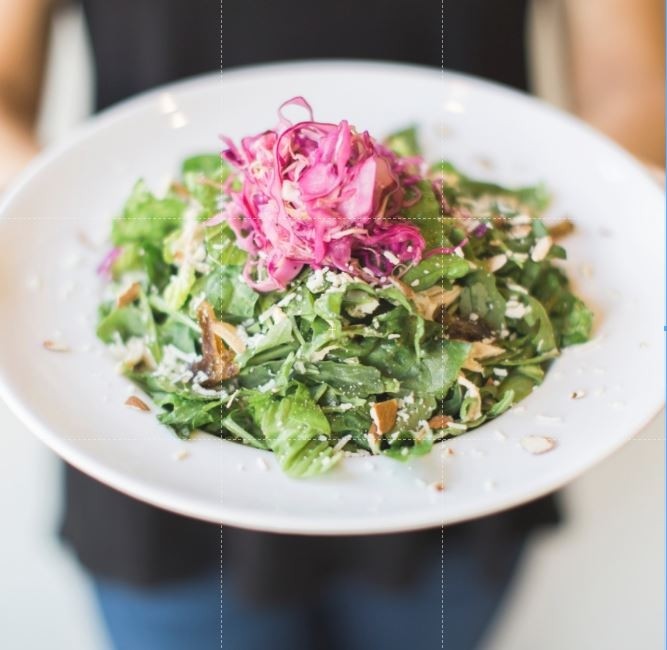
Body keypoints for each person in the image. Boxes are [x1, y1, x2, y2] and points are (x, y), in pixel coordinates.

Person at [0, 1, 663, 649]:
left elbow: (630, 78)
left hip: (458, 474)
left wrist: (613, 210)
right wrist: (65, 221)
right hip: (151, 473)